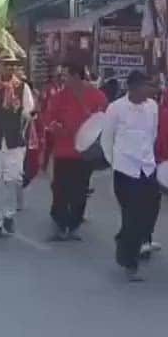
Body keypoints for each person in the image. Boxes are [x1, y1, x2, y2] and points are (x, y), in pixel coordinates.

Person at [100, 71, 161, 281]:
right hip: (125, 170)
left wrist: (149, 158)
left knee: (150, 210)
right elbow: (107, 139)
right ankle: (129, 262)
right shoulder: (116, 108)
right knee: (132, 216)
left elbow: (152, 135)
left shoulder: (153, 107)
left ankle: (127, 239)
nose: (150, 91)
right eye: (146, 86)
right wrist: (115, 163)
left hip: (147, 168)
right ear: (133, 88)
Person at [41, 61, 107, 241]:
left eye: (66, 76)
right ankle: (60, 224)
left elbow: (104, 118)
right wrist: (58, 128)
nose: (63, 79)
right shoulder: (59, 97)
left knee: (80, 190)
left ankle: (75, 224)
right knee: (60, 189)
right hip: (63, 150)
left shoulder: (96, 96)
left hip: (85, 153)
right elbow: (49, 118)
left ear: (76, 76)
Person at [0, 54, 35, 239]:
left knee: (13, 180)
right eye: (6, 65)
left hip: (14, 141)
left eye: (13, 66)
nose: (10, 69)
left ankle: (8, 214)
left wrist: (25, 112)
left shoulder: (22, 87)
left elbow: (29, 111)